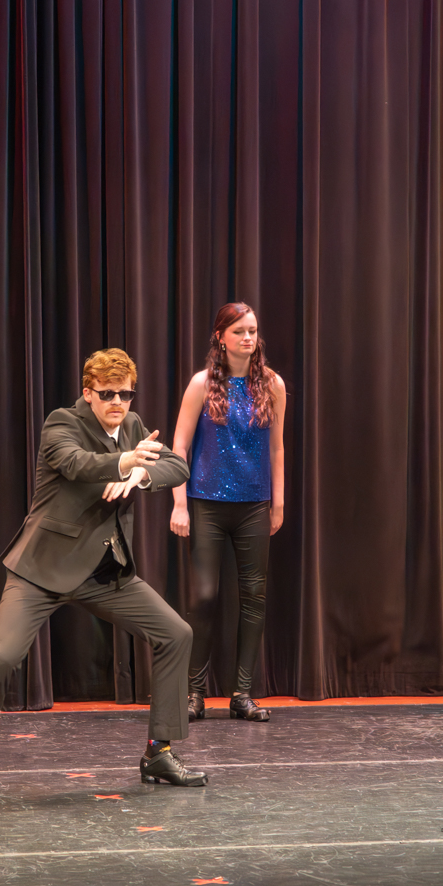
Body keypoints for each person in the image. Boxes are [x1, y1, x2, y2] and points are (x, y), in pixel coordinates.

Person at [0, 349, 202, 798]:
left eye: (125, 394)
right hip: (42, 569)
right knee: (2, 658)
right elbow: (76, 463)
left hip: (103, 571)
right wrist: (127, 462)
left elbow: (177, 466)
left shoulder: (133, 426)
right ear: (88, 393)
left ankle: (158, 752)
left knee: (176, 634)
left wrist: (141, 477)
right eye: (108, 394)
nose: (118, 402)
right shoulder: (62, 423)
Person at [169, 303, 286, 722]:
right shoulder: (201, 384)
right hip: (206, 503)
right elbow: (179, 446)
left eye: (252, 330)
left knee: (253, 597)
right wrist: (179, 502)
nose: (248, 338)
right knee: (203, 596)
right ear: (221, 337)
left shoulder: (272, 384)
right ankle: (194, 693)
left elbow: (277, 448)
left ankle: (242, 694)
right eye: (239, 331)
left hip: (253, 504)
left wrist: (278, 502)